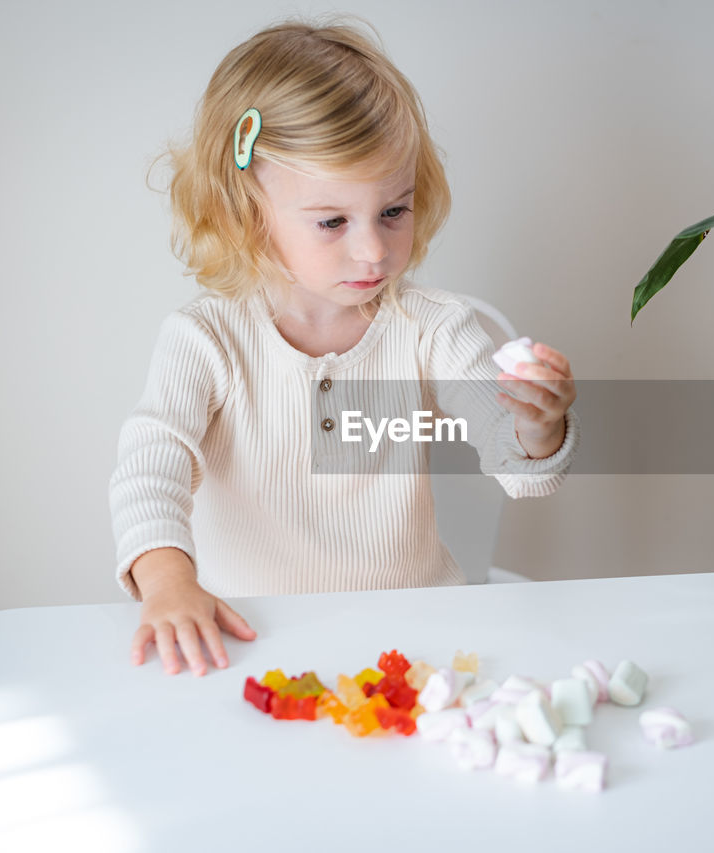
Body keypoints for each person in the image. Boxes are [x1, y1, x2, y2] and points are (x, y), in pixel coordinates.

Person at [109, 19, 579, 677]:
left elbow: (520, 472)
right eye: (332, 221)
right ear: (247, 211)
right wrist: (166, 580)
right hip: (252, 643)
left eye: (394, 211)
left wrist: (535, 425)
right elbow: (150, 464)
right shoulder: (205, 340)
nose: (374, 249)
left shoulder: (434, 329)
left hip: (417, 642)